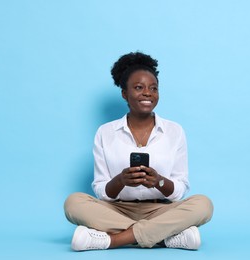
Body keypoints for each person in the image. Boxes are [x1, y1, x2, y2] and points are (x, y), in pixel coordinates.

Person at [64, 51, 214, 251]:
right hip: (117, 209)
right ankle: (166, 237)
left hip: (160, 209)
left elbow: (180, 189)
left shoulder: (174, 131)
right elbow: (101, 191)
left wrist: (159, 181)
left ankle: (113, 240)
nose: (147, 93)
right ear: (124, 94)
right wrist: (120, 181)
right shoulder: (105, 132)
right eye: (138, 87)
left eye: (154, 88)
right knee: (73, 202)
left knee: (203, 205)